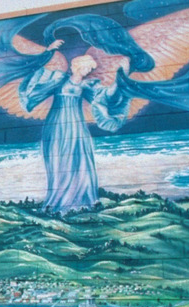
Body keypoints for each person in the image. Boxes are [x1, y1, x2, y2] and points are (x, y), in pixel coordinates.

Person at [19, 39, 131, 212]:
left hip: (77, 126)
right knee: (59, 160)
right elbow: (36, 85)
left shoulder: (88, 85)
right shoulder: (58, 79)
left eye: (90, 69)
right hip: (57, 125)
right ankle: (59, 201)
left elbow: (106, 95)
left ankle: (85, 200)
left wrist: (122, 73)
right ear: (77, 67)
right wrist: (47, 53)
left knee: (81, 160)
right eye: (86, 68)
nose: (88, 71)